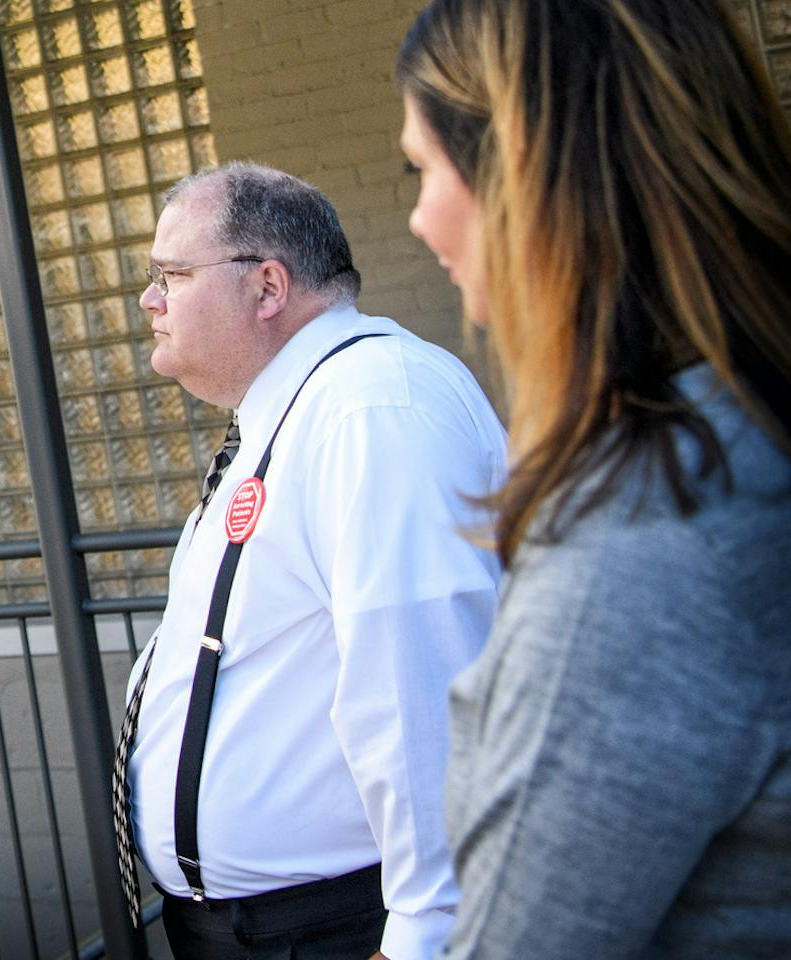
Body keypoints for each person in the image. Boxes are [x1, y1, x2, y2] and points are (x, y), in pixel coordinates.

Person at [395, 0, 791, 958]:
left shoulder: (647, 545)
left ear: (526, 177)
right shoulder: (765, 432)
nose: (419, 220)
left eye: (425, 170)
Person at [114, 162, 506, 960]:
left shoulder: (372, 407)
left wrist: (427, 936)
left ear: (266, 287)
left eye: (171, 276)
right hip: (261, 927)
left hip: (345, 929)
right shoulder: (297, 412)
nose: (150, 302)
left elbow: (419, 696)